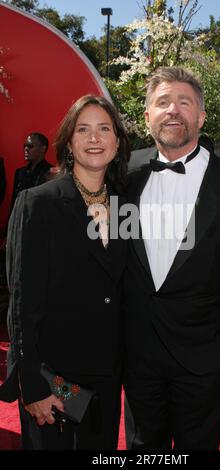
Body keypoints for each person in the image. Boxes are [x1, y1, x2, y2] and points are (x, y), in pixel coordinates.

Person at [123, 66, 220, 450]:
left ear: (201, 117)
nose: (173, 110)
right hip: (137, 358)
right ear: (147, 117)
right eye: (162, 102)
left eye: (184, 102)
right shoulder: (122, 174)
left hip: (207, 360)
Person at [0, 95, 130, 450]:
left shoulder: (124, 208)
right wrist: (32, 381)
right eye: (83, 129)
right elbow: (22, 300)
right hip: (53, 377)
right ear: (69, 141)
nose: (94, 138)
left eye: (104, 129)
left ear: (117, 143)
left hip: (105, 375)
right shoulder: (38, 202)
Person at [9, 132, 52, 214]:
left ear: (43, 149)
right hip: (20, 219)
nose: (26, 149)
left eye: (30, 146)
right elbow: (14, 203)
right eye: (25, 146)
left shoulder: (52, 172)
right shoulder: (20, 173)